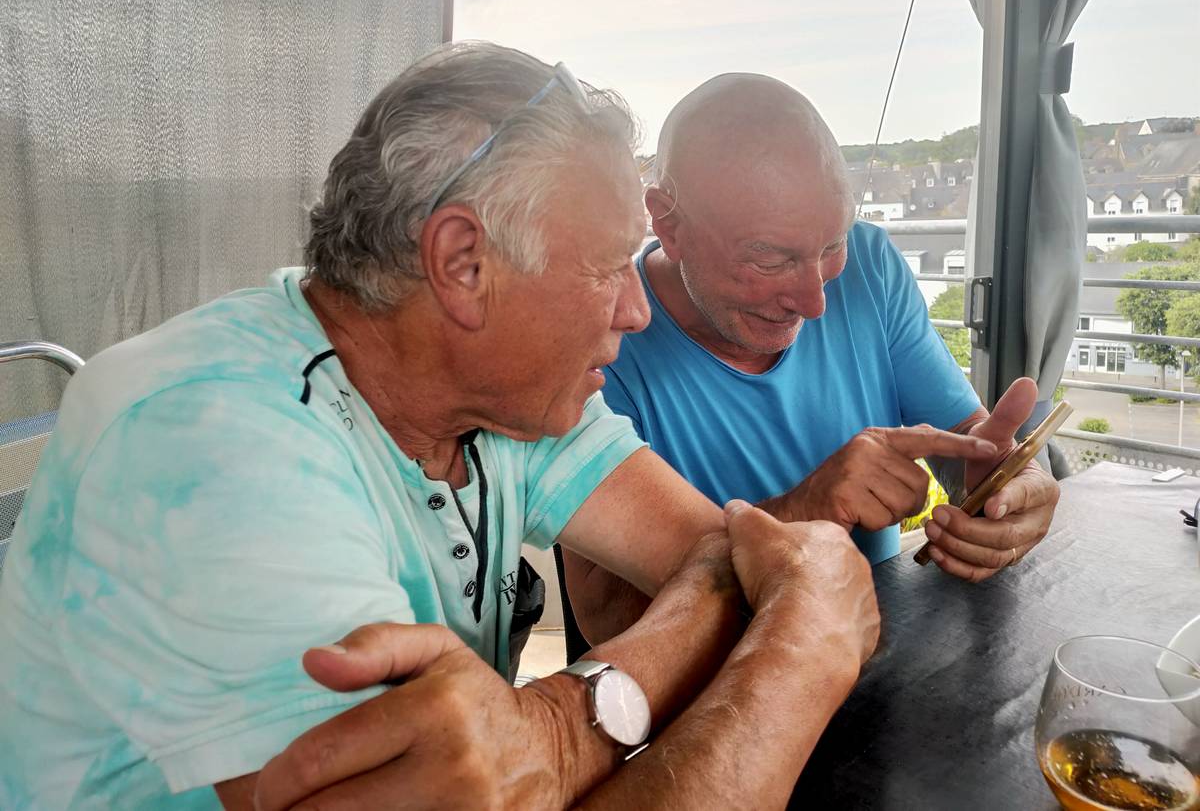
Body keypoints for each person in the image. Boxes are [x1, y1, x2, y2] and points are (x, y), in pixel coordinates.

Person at [0, 44, 987, 809]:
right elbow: (759, 587)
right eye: (605, 267)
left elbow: (721, 556)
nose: (635, 307)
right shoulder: (210, 447)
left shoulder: (505, 393)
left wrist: (562, 724)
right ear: (463, 264)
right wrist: (799, 653)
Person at [563, 73, 1061, 647]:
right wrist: (802, 511)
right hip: (715, 681)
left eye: (830, 247)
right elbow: (605, 617)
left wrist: (999, 484)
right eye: (770, 261)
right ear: (668, 223)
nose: (815, 302)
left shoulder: (869, 265)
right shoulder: (601, 342)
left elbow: (962, 439)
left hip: (874, 648)